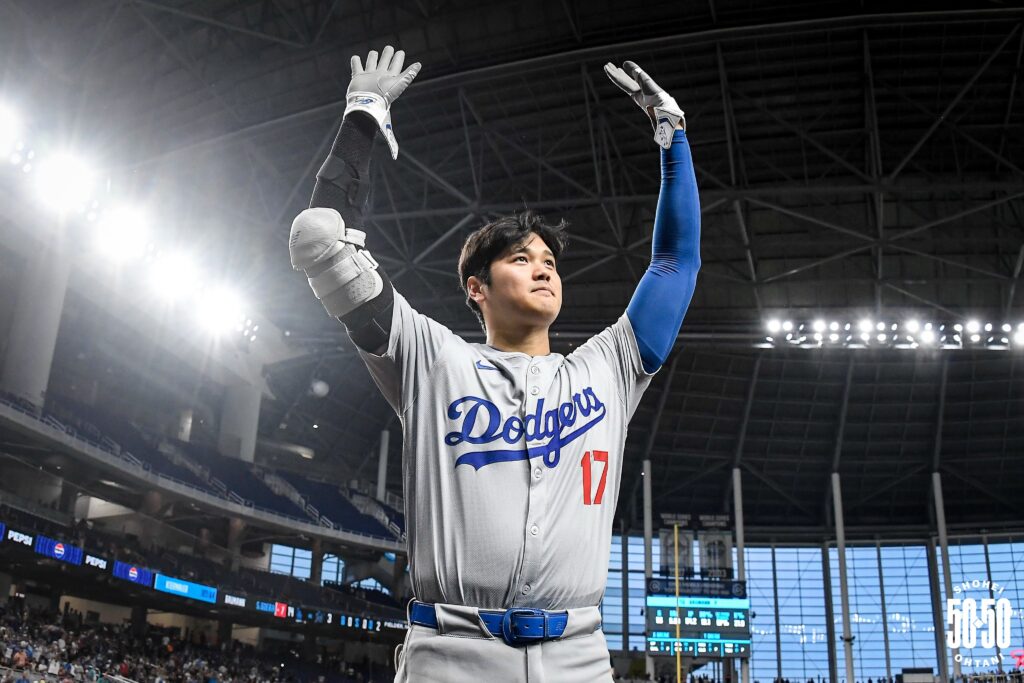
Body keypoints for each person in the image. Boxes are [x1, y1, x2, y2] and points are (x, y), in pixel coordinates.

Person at [289, 45, 700, 682]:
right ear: (475, 287)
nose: (542, 267)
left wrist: (673, 138)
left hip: (579, 656)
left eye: (550, 262)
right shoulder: (429, 357)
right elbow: (319, 237)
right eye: (519, 258)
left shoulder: (609, 367)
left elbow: (676, 263)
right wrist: (364, 115)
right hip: (452, 652)